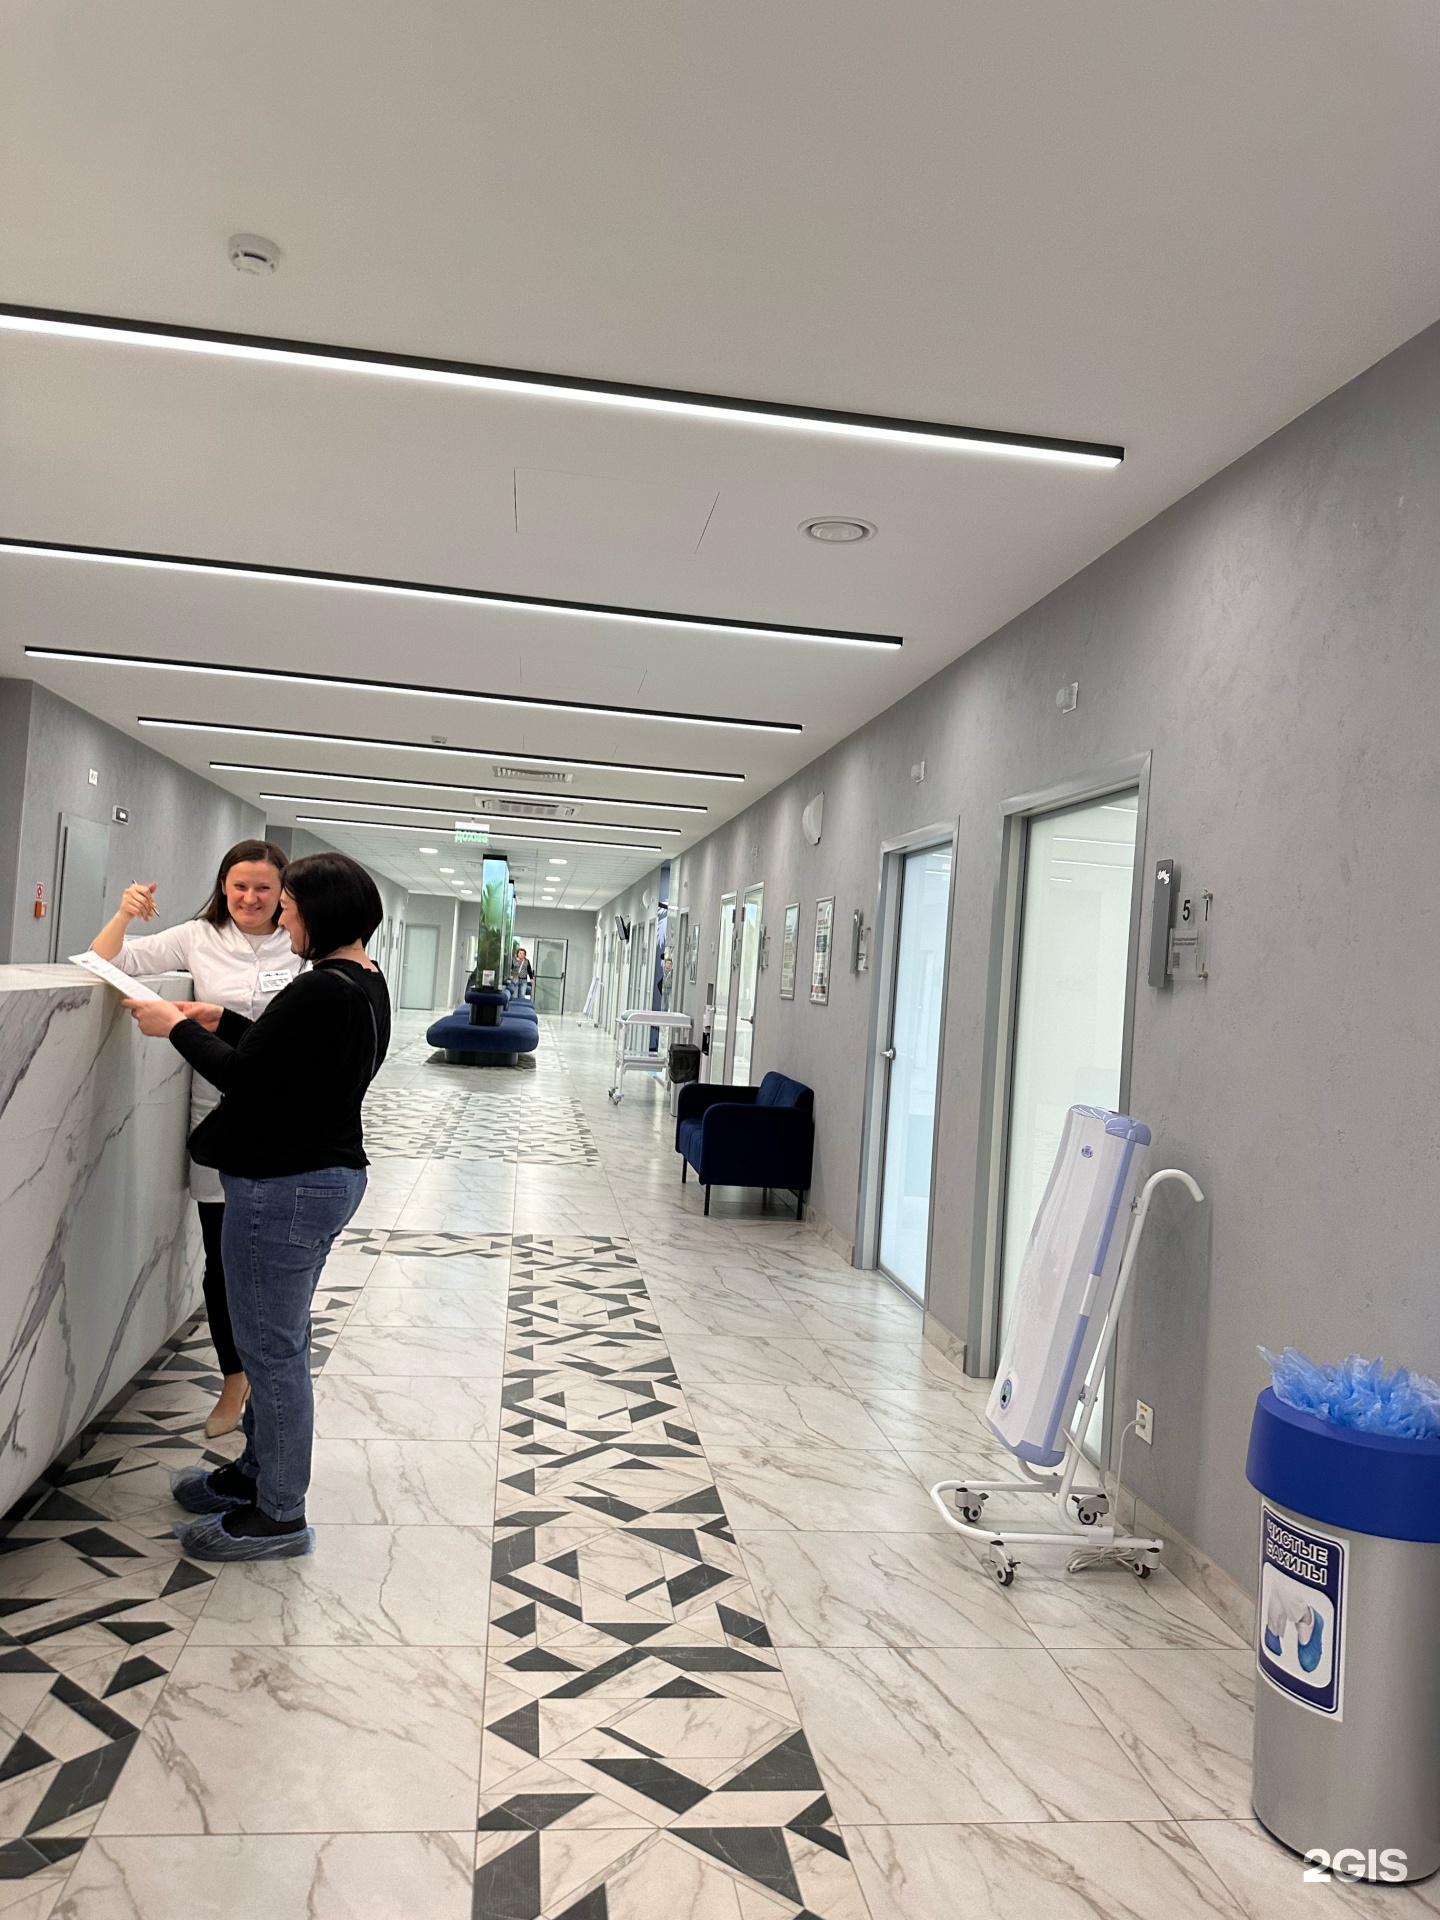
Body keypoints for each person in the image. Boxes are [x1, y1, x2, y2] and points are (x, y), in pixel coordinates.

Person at [122, 851, 390, 1562]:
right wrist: (221, 1018)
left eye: (290, 909)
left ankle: (279, 1515)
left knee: (271, 1354)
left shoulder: (318, 989)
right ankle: (253, 1473)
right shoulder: (360, 979)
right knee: (272, 1341)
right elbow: (291, 1063)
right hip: (317, 1175)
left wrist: (175, 1027)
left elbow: (247, 1079)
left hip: (285, 1185)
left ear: (318, 912)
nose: (282, 920)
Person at [91, 839, 303, 1437]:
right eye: (240, 886)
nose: (250, 898)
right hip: (219, 1114)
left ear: (282, 892)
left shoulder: (300, 944)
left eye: (263, 887)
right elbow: (105, 962)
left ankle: (273, 1376)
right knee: (220, 1258)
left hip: (286, 1121)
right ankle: (234, 1378)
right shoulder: (197, 936)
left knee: (273, 1261)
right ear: (223, 887)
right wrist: (125, 913)